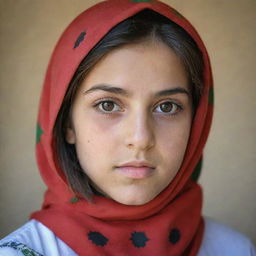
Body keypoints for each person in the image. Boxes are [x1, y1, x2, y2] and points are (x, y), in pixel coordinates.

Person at [0, 0, 255, 255]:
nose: (141, 138)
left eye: (167, 107)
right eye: (108, 105)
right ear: (67, 122)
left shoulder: (235, 250)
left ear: (197, 122)